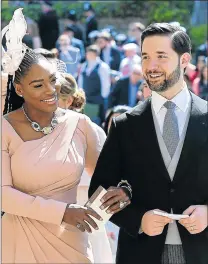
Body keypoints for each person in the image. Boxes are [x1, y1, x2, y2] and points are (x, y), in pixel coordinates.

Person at [2, 9, 128, 263]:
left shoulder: (80, 124)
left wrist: (122, 190)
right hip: (20, 243)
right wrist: (62, 212)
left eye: (52, 80)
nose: (51, 90)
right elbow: (3, 194)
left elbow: (109, 176)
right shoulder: (4, 128)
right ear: (19, 89)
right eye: (38, 85)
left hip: (73, 242)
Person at [89, 23, 208, 264]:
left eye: (161, 57)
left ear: (184, 59)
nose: (150, 66)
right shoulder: (125, 125)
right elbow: (99, 191)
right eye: (145, 57)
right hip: (140, 252)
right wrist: (138, 219)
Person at [78, 45, 111, 124]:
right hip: (86, 98)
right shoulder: (84, 65)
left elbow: (106, 83)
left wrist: (103, 96)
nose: (88, 55)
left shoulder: (103, 67)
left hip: (98, 99)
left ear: (96, 54)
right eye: (87, 53)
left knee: (97, 121)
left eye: (90, 53)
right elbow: (80, 80)